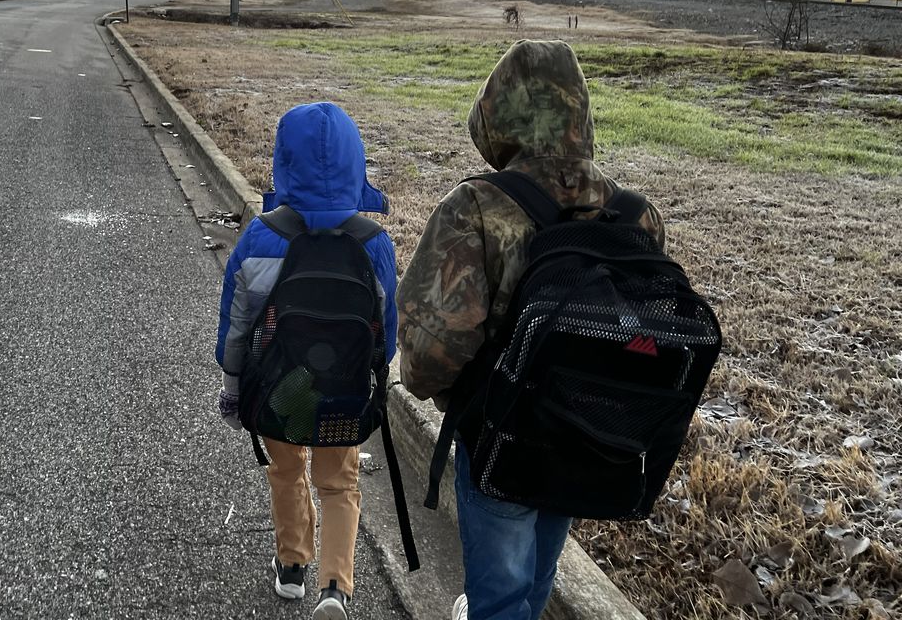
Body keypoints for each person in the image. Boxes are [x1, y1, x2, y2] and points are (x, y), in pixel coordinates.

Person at [395, 40, 665, 620]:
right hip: (588, 435)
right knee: (541, 564)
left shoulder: (476, 207)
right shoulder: (635, 213)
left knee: (498, 593)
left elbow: (428, 357)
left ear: (497, 112)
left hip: (503, 438)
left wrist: (443, 391)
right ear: (579, 111)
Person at [215, 102, 399, 620]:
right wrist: (376, 377)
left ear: (283, 161)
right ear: (354, 163)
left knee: (286, 468)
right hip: (344, 390)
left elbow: (237, 323)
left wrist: (233, 386)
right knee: (339, 484)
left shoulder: (263, 235)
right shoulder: (374, 243)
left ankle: (292, 566)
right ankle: (335, 587)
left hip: (278, 386)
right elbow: (389, 328)